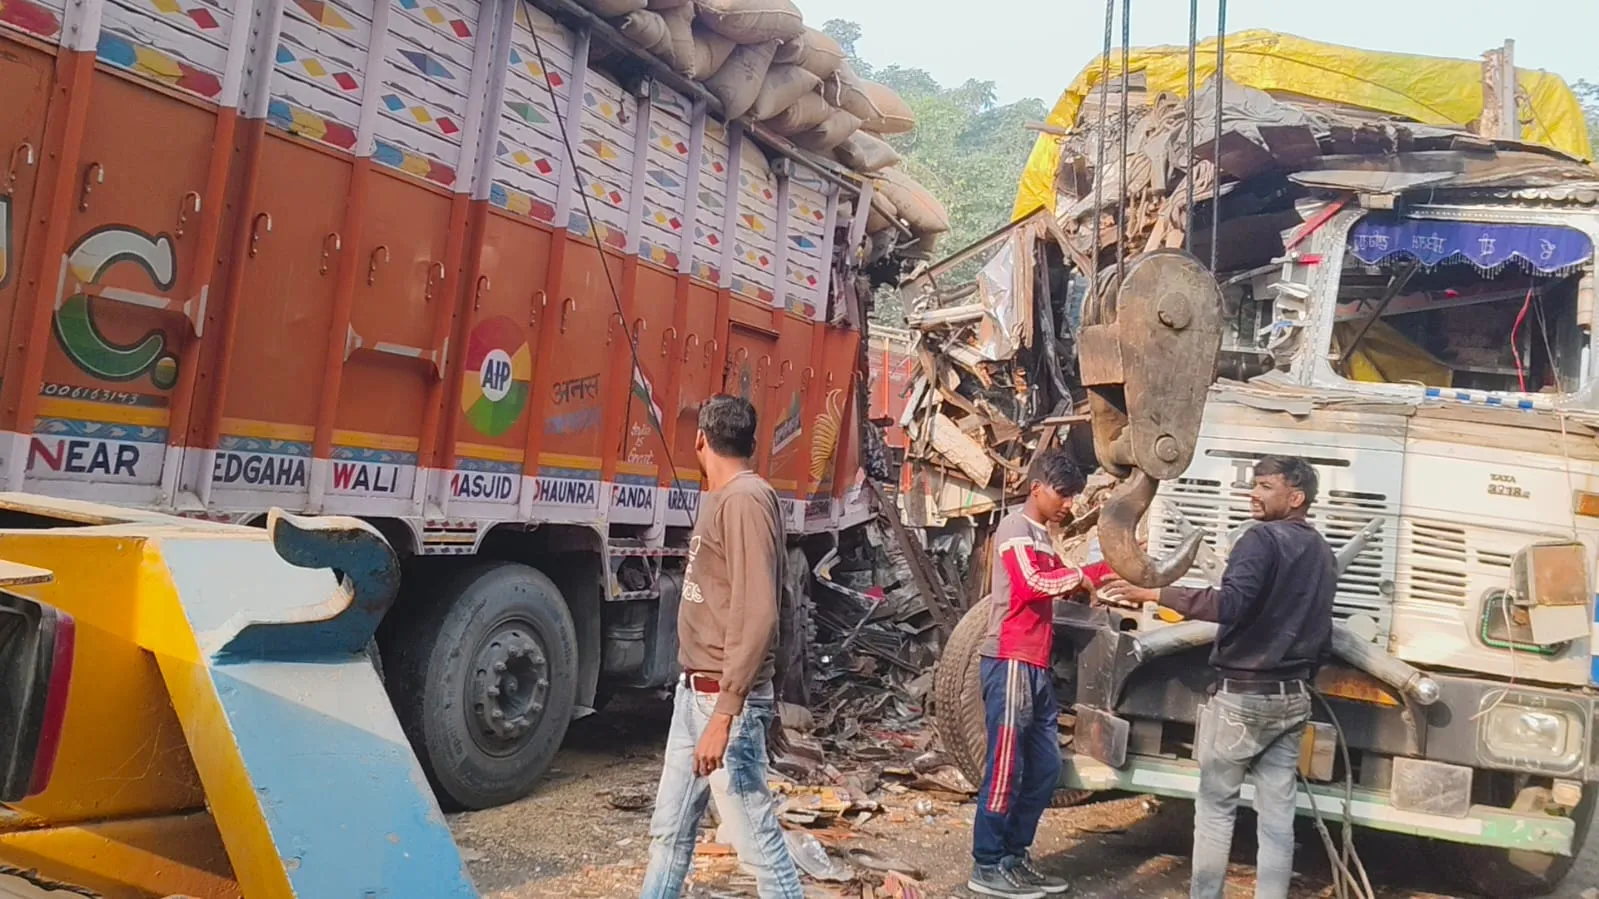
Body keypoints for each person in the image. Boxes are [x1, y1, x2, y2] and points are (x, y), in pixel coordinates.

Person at [1101, 455, 1337, 899]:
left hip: (1243, 700)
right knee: (1278, 817)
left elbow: (1230, 605)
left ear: (1296, 497)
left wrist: (1157, 592)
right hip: (1294, 700)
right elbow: (1321, 634)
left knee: (1215, 810)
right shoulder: (1322, 552)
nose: (1254, 492)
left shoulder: (1260, 540)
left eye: (1266, 486)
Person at [639, 395, 803, 899]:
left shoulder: (744, 500)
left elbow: (760, 612)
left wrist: (727, 713)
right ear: (751, 443)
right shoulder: (729, 497)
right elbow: (771, 605)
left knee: (758, 844)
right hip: (696, 694)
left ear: (699, 441)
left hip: (718, 701)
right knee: (669, 833)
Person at [970, 449, 1114, 899]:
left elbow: (1063, 576)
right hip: (1011, 659)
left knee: (1047, 767)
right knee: (1006, 767)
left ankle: (1014, 855)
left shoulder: (1041, 534)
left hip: (1034, 663)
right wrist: (1079, 578)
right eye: (1063, 494)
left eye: (1072, 495)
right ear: (1037, 488)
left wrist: (1108, 571)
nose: (1068, 503)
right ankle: (987, 863)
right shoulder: (1015, 527)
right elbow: (1032, 583)